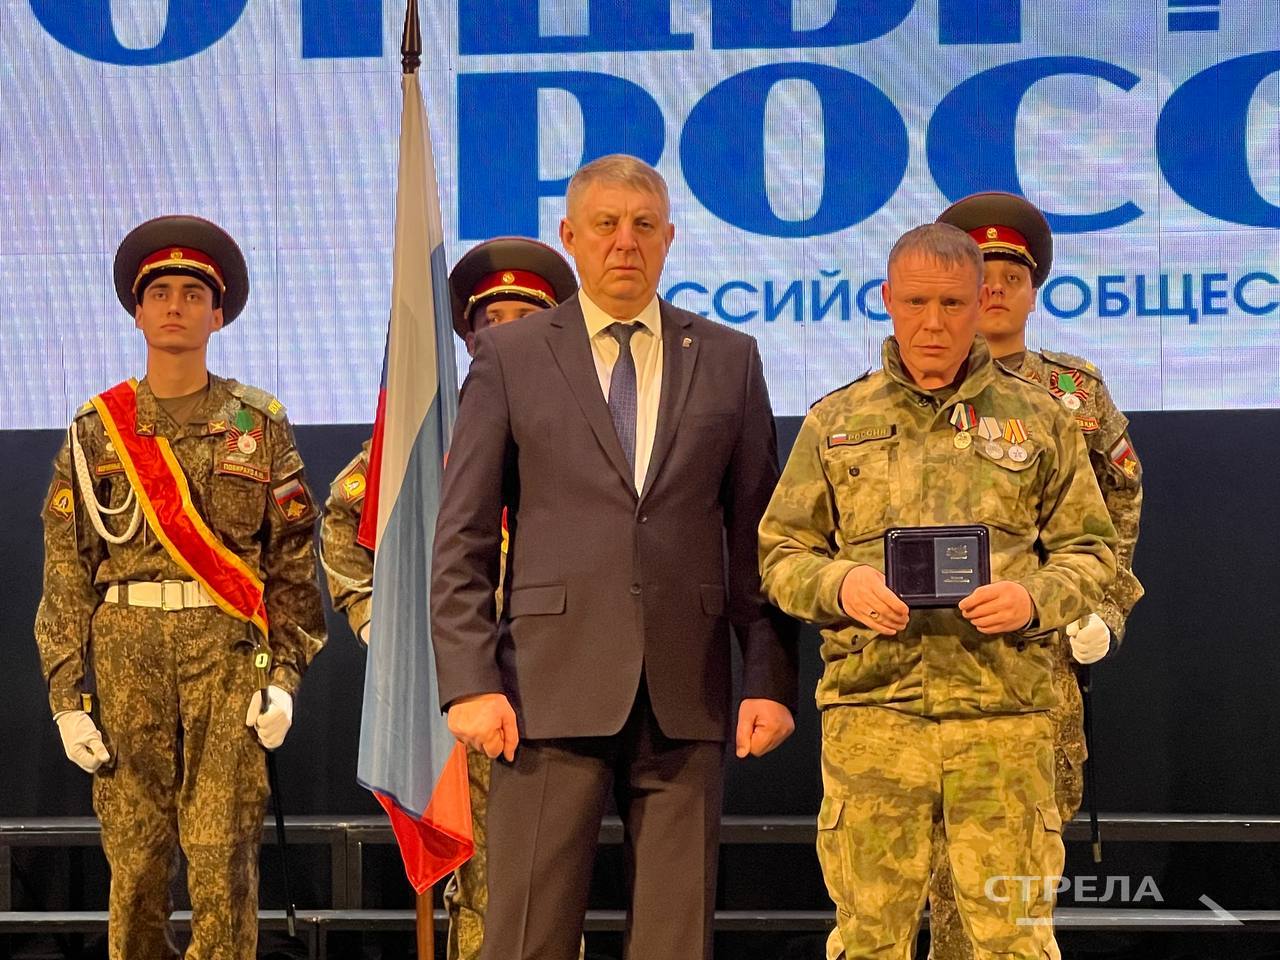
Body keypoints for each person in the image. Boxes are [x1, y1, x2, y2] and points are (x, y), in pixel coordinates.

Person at [431, 154, 798, 960]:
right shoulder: (511, 356)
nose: (624, 242)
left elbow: (758, 540)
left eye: (643, 225)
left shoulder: (730, 358)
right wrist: (470, 682)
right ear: (570, 236)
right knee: (526, 939)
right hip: (544, 690)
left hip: (686, 691)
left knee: (675, 943)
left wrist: (768, 678)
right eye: (605, 225)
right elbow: (461, 537)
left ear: (669, 238)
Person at [758, 222, 1117, 958]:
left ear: (979, 303)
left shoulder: (1041, 418)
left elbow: (1091, 553)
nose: (933, 322)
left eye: (952, 303)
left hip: (1004, 717)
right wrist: (842, 583)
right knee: (869, 939)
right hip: (875, 715)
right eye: (916, 302)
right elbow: (780, 552)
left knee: (1013, 941)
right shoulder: (835, 421)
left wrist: (1033, 599)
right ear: (887, 299)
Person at [34, 215, 327, 960]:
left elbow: (292, 563)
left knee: (223, 857)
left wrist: (284, 678)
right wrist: (67, 697)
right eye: (159, 292)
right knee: (135, 865)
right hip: (125, 653)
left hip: (228, 656)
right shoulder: (97, 429)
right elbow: (66, 569)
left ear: (217, 315)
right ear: (136, 311)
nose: (175, 306)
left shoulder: (256, 423)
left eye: (193, 294)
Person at [319, 236, 578, 960]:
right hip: (461, 684)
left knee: (550, 885)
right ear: (467, 336)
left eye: (526, 318)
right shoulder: (433, 432)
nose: (508, 332)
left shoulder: (585, 427)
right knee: (483, 883)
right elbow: (346, 519)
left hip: (559, 681)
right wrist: (381, 624)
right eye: (493, 319)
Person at [926, 192, 1145, 959]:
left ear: (1032, 290)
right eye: (979, 276)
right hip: (936, 658)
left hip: (1042, 658)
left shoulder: (1074, 394)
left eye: (1010, 278)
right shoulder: (913, 389)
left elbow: (1121, 501)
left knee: (1024, 869)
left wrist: (1104, 608)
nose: (994, 290)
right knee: (939, 865)